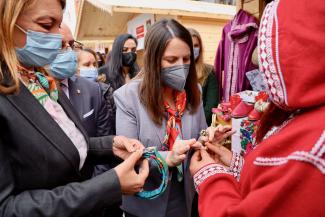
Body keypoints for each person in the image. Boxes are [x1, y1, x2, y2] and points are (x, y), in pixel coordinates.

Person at [0, 1, 149, 216]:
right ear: (6, 22)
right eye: (46, 24)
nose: (58, 37)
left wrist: (110, 146)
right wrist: (108, 186)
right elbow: (6, 209)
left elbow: (61, 144)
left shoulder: (39, 79)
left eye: (58, 24)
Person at [189, 0, 325, 216]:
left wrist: (211, 177)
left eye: (267, 68)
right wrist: (236, 165)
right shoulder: (305, 116)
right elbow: (274, 188)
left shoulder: (311, 154)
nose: (264, 79)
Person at [114, 19, 207, 217]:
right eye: (171, 60)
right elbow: (130, 156)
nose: (181, 66)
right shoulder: (127, 97)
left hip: (185, 199)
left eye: (186, 59)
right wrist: (168, 158)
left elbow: (200, 135)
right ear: (153, 59)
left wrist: (208, 140)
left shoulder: (194, 91)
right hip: (146, 203)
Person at [188, 28, 219, 126]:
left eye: (196, 45)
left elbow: (211, 105)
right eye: (190, 45)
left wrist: (196, 127)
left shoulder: (209, 71)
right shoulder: (177, 72)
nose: (193, 49)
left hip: (202, 127)